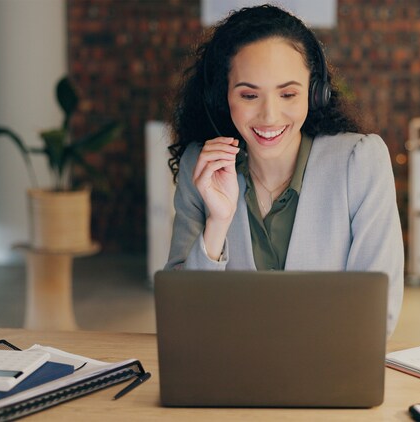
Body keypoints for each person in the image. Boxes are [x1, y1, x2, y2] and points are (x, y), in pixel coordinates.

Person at [165, 4, 403, 336]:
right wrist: (217, 224)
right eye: (249, 95)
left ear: (315, 92)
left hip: (328, 375)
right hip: (228, 375)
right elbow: (180, 315)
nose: (270, 116)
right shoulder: (202, 164)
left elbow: (377, 313)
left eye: (288, 93)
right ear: (223, 97)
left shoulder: (359, 163)